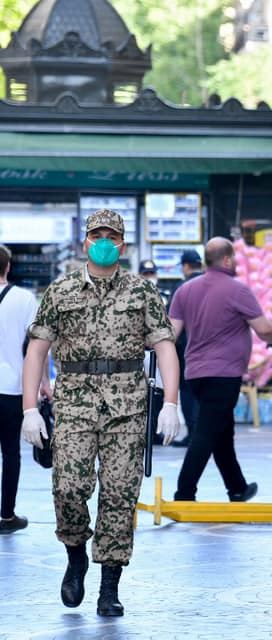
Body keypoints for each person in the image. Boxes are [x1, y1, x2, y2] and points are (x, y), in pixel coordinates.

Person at [21, 209, 181, 616]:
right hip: (74, 402)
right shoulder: (60, 290)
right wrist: (30, 409)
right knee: (69, 488)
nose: (104, 241)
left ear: (122, 245)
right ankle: (76, 555)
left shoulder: (142, 292)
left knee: (119, 495)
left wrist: (171, 402)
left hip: (127, 406)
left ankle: (109, 585)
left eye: (111, 235)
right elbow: (37, 348)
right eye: (97, 235)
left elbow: (164, 345)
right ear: (85, 242)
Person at [169, 237, 272, 502]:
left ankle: (237, 487)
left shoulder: (185, 290)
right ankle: (184, 493)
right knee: (205, 433)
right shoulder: (237, 290)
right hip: (224, 374)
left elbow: (170, 333)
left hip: (195, 373)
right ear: (227, 260)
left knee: (221, 432)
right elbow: (263, 328)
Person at [0, 245, 50, 534]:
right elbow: (38, 345)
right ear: (8, 267)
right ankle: (7, 515)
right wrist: (43, 382)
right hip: (11, 387)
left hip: (12, 385)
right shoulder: (24, 298)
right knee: (10, 453)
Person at [169, 249, 204, 447]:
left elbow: (172, 323)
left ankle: (193, 433)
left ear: (185, 266)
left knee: (188, 390)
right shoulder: (211, 285)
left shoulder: (181, 287)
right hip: (209, 348)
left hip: (185, 348)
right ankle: (203, 434)